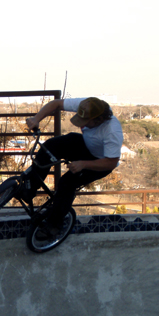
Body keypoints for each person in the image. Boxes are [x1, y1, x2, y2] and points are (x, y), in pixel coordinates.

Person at [22, 97, 124, 238]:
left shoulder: (112, 131)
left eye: (85, 122)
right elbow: (56, 103)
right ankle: (29, 189)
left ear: (98, 120)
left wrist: (83, 164)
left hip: (101, 162)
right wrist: (36, 118)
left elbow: (111, 162)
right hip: (86, 146)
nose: (82, 125)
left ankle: (54, 225)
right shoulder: (89, 105)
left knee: (67, 183)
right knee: (50, 147)